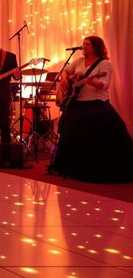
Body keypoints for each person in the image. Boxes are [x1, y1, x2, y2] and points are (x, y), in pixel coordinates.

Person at [51, 36, 132, 182]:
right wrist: (65, 79)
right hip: (79, 102)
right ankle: (71, 167)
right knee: (67, 127)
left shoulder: (105, 64)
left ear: (96, 46)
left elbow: (104, 85)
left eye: (87, 44)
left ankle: (95, 170)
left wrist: (91, 82)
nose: (84, 46)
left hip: (96, 103)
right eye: (83, 44)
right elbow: (66, 70)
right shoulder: (79, 61)